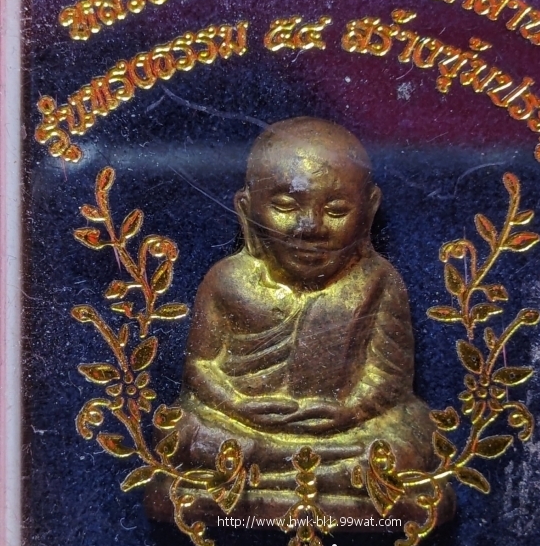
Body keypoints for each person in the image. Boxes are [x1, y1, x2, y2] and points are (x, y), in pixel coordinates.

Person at [166, 116, 438, 505]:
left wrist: (350, 412)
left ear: (369, 209)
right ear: (247, 209)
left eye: (337, 209)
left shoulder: (378, 282)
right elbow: (200, 368)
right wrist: (238, 405)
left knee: (418, 432)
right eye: (285, 206)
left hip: (345, 428)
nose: (310, 227)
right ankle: (329, 474)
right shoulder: (227, 280)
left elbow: (390, 379)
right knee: (178, 430)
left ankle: (269, 467)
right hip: (241, 425)